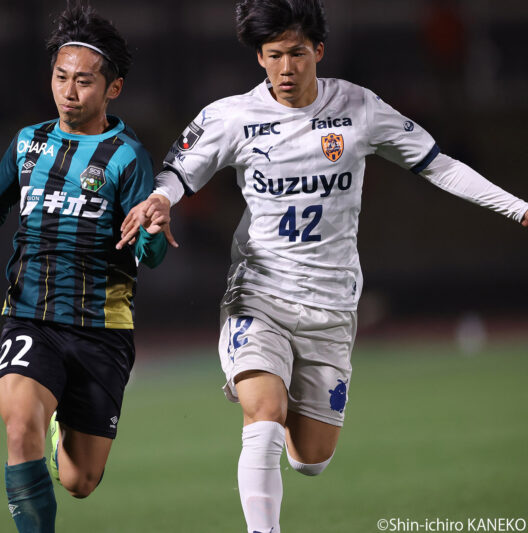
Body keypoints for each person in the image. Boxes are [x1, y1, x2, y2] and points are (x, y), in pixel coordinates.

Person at [118, 0, 528, 531]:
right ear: (259, 58)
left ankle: (291, 397)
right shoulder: (231, 116)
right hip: (258, 291)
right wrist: (160, 199)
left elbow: (438, 165)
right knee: (263, 412)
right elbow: (178, 172)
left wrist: (518, 208)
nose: (286, 68)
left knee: (311, 458)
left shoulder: (358, 107)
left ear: (319, 51)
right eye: (273, 55)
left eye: (297, 53)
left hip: (331, 304)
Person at [0, 3, 167, 531]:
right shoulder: (28, 142)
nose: (68, 91)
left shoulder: (127, 157)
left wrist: (152, 232)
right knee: (20, 429)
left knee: (80, 481)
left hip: (102, 330)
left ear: (113, 88)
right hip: (30, 316)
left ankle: (65, 425)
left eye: (84, 81)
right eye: (61, 77)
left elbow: (148, 255)